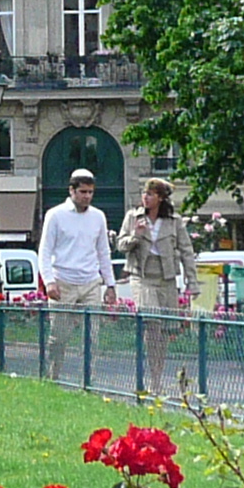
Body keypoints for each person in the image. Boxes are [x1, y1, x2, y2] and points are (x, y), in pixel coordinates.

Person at [40, 168, 113, 381]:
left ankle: (89, 380)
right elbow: (44, 251)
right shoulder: (55, 215)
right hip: (63, 282)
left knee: (92, 336)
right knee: (59, 337)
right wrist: (49, 282)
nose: (87, 196)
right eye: (82, 192)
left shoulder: (98, 216)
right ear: (71, 191)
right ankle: (53, 376)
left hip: (90, 282)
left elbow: (103, 252)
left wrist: (110, 284)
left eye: (90, 192)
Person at [118, 177, 189, 394]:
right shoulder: (133, 217)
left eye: (150, 194)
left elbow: (187, 251)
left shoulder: (174, 221)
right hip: (142, 275)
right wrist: (136, 236)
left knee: (165, 329)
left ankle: (157, 374)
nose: (145, 197)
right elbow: (120, 245)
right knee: (152, 324)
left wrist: (192, 282)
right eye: (144, 193)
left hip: (166, 278)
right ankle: (153, 380)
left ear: (160, 198)